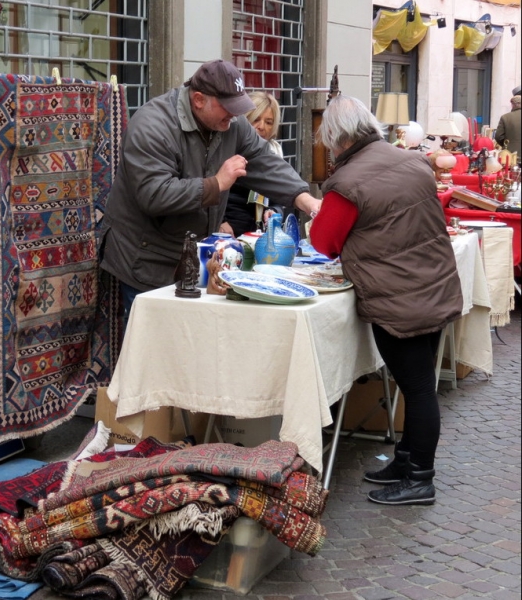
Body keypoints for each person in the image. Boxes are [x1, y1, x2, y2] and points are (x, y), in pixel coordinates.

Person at [309, 94, 463, 506]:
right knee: (421, 383)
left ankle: (420, 479)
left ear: (337, 139)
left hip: (399, 299)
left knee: (417, 388)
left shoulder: (347, 182)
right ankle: (406, 461)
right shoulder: (412, 161)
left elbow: (323, 242)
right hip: (434, 285)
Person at [100, 59, 321, 315]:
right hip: (144, 256)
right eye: (228, 107)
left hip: (192, 255)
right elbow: (154, 194)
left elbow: (264, 161)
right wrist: (216, 184)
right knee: (155, 347)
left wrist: (306, 199)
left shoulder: (231, 123)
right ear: (198, 100)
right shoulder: (152, 124)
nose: (235, 114)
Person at [222, 91, 285, 237]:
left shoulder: (274, 152)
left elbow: (279, 199)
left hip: (259, 236)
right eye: (256, 119)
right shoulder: (228, 150)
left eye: (269, 122)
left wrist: (274, 211)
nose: (261, 126)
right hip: (228, 233)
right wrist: (220, 221)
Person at [494, 94, 520, 160]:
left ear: (513, 105)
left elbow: (498, 136)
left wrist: (506, 144)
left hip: (511, 155)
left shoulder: (505, 117)